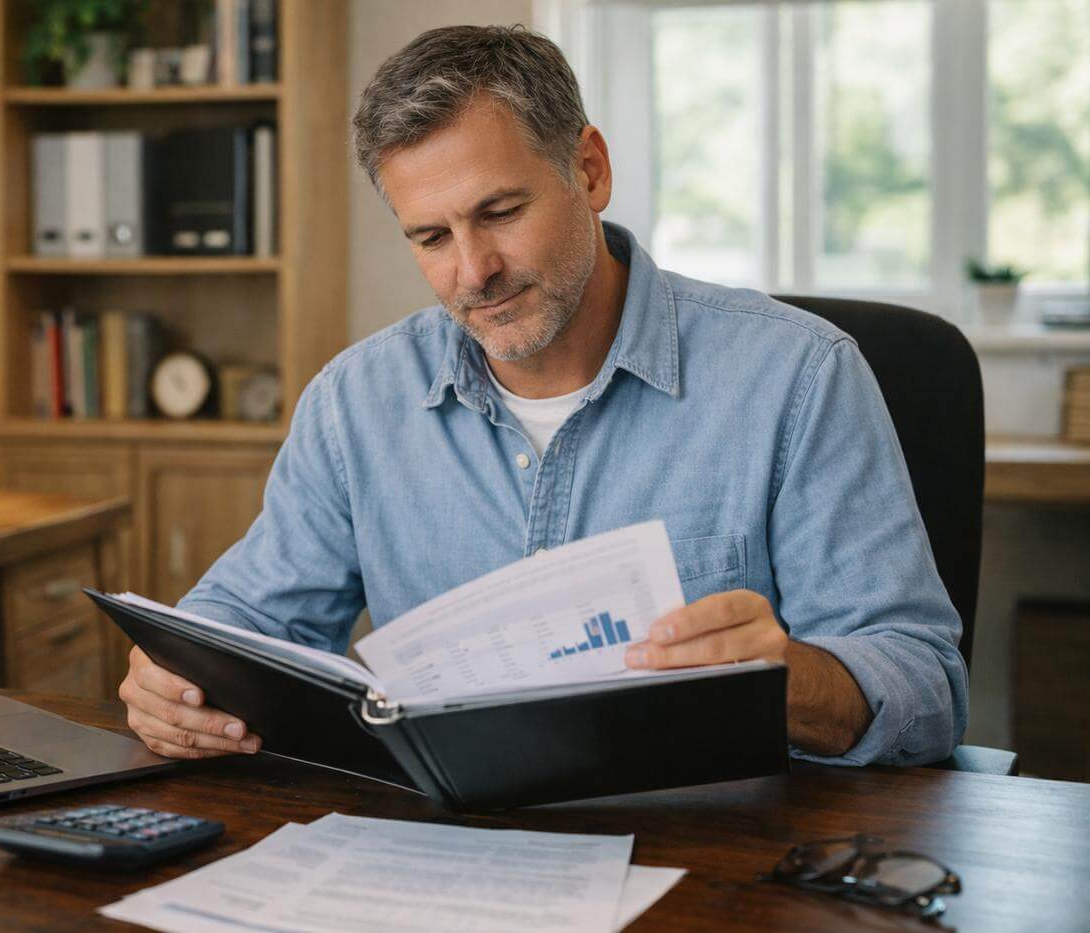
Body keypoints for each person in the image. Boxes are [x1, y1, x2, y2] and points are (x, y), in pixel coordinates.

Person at [119, 25, 967, 768]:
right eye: (431, 236)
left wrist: (791, 678)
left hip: (718, 855)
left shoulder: (798, 376)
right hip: (445, 853)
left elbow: (925, 680)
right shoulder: (356, 401)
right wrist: (174, 680)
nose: (471, 270)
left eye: (500, 211)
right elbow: (239, 623)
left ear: (589, 171)